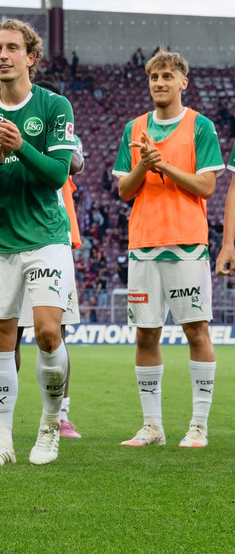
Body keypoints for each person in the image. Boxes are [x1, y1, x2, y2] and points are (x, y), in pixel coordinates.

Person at [0, 19, 75, 467]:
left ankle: (49, 427)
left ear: (31, 57)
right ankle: (2, 442)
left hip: (45, 237)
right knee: (0, 339)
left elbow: (59, 175)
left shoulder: (54, 106)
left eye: (11, 48)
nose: (2, 55)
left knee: (46, 333)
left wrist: (21, 146)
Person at [114, 49, 221, 448]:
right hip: (143, 244)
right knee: (145, 335)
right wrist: (144, 164)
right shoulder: (134, 128)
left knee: (196, 331)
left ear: (182, 83)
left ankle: (198, 426)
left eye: (167, 76)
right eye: (154, 76)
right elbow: (124, 190)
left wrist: (163, 165)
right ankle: (152, 427)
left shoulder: (200, 126)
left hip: (187, 244)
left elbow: (207, 187)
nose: (160, 82)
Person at [0, 125, 87, 441]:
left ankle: (61, 415)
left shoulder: (60, 131)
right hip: (10, 237)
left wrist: (33, 146)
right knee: (8, 333)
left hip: (53, 240)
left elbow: (75, 163)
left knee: (54, 333)